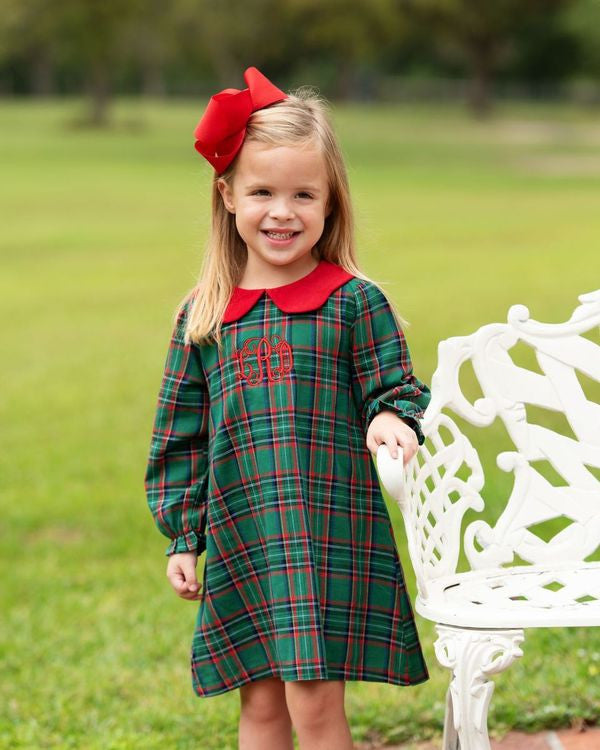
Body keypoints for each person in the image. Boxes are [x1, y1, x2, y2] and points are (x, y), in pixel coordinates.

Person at [144, 66, 432, 750]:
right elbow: (181, 435)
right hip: (247, 538)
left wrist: (391, 414)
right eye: (263, 192)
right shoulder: (205, 317)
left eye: (304, 194)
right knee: (261, 709)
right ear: (228, 195)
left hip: (323, 533)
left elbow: (393, 384)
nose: (283, 212)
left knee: (315, 707)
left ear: (330, 203)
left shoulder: (353, 302)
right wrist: (185, 535)